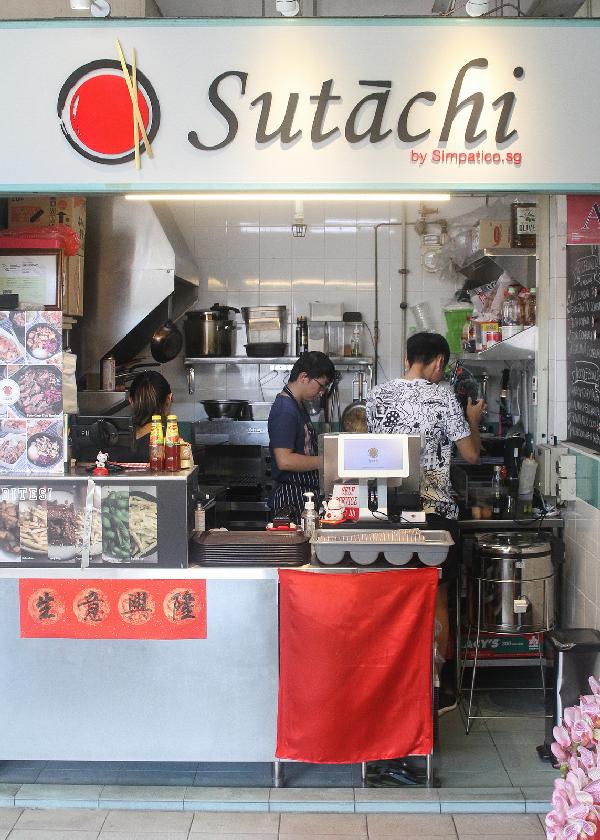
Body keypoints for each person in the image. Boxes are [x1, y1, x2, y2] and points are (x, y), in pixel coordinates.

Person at [366, 332, 485, 715]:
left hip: (388, 511)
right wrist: (472, 421)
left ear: (406, 357)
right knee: (437, 599)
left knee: (393, 595)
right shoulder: (444, 396)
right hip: (436, 513)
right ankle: (438, 688)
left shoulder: (376, 395)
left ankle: (393, 685)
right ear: (437, 362)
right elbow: (470, 455)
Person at [268, 351, 336, 523]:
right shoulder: (285, 409)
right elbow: (285, 460)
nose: (322, 392)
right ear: (304, 377)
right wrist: (327, 461)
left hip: (302, 495)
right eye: (321, 386)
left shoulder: (297, 405)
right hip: (290, 499)